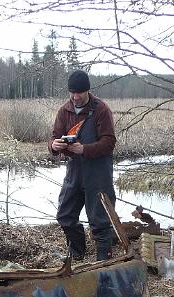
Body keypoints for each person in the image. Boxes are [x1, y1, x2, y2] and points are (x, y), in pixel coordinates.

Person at [50, 69, 118, 261]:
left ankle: (104, 257)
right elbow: (54, 136)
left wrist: (85, 149)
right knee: (65, 215)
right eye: (72, 92)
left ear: (87, 91)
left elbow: (109, 142)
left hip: (98, 173)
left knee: (99, 219)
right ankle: (78, 250)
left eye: (79, 92)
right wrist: (54, 146)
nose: (75, 96)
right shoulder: (65, 110)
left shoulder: (101, 110)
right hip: (74, 171)